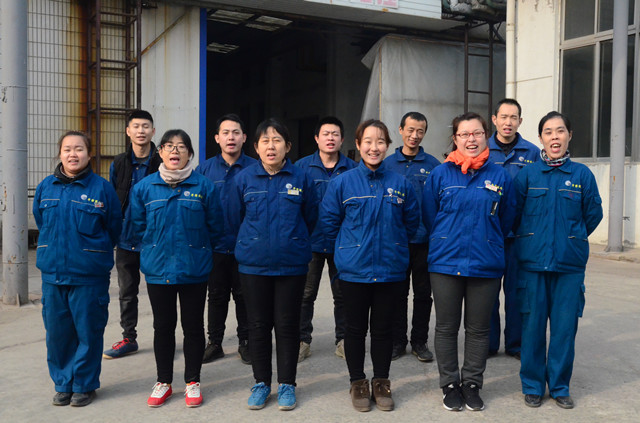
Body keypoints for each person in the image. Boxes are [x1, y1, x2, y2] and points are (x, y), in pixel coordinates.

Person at [320, 119, 419, 412]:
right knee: (354, 330)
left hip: (390, 270)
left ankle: (381, 382)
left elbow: (412, 224)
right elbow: (329, 224)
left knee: (383, 330)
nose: (374, 147)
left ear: (387, 146)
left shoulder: (401, 184)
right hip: (354, 272)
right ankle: (357, 382)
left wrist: (394, 246)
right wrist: (348, 252)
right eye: (368, 141)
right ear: (358, 145)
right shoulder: (342, 183)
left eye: (380, 142)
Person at [422, 112, 516, 412]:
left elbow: (507, 218)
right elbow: (429, 215)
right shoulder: (440, 174)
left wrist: (487, 239)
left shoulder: (500, 176)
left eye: (476, 133)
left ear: (486, 135)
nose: (471, 139)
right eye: (464, 134)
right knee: (446, 327)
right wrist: (447, 238)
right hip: (445, 262)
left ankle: (472, 383)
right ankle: (449, 384)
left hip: (485, 263)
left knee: (478, 329)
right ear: (455, 139)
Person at [227, 118, 317, 411]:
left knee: (288, 325)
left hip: (291, 265)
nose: (271, 146)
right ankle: (261, 383)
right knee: (257, 325)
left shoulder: (302, 178)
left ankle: (287, 384)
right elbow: (233, 219)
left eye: (277, 140)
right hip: (253, 266)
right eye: (265, 141)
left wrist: (293, 241)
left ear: (287, 146)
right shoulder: (243, 179)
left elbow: (311, 216)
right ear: (255, 147)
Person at [514, 111, 602, 410]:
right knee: (532, 329)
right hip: (533, 264)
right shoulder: (528, 175)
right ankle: (533, 386)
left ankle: (560, 386)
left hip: (569, 266)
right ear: (540, 138)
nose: (555, 137)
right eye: (548, 132)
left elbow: (593, 214)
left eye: (560, 131)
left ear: (569, 135)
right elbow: (514, 213)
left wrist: (571, 238)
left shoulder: (582, 175)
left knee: (564, 330)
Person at [130, 129, 223, 408]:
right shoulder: (144, 188)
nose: (175, 151)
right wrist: (154, 248)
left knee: (193, 327)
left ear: (190, 154)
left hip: (194, 268)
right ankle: (164, 382)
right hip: (158, 269)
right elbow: (136, 227)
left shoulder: (204, 187)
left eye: (181, 147)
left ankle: (193, 381)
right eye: (169, 146)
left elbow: (216, 227)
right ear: (160, 152)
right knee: (163, 326)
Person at [34, 131, 122, 407]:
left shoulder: (102, 189)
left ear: (89, 154)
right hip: (53, 274)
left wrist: (91, 254)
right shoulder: (45, 187)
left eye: (79, 149)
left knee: (88, 332)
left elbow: (114, 227)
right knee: (57, 334)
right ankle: (63, 384)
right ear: (60, 154)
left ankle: (84, 385)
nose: (73, 154)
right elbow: (41, 221)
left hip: (89, 276)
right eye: (68, 149)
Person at [196, 114, 255, 365]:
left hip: (246, 246)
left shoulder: (255, 168)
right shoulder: (205, 170)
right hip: (215, 247)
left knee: (244, 296)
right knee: (216, 296)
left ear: (244, 138)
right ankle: (215, 343)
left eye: (236, 132)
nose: (231, 137)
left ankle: (246, 342)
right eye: (226, 133)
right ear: (217, 138)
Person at [296, 116, 357, 362]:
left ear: (342, 140)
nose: (330, 138)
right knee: (305, 293)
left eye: (335, 134)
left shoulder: (353, 169)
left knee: (342, 294)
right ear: (316, 138)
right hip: (310, 241)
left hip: (342, 243)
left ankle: (343, 340)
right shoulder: (301, 168)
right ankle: (302, 340)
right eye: (325, 134)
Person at [104, 110, 161, 359]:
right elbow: (113, 199)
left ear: (153, 131)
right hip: (126, 239)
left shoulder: (162, 162)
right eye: (136, 126)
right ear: (128, 131)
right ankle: (129, 338)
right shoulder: (119, 163)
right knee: (127, 293)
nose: (141, 131)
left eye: (145, 126)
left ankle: (163, 338)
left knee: (161, 292)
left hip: (155, 240)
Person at [384, 111, 440, 362]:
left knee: (423, 294)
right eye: (410, 130)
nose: (414, 135)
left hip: (425, 241)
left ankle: (419, 341)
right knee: (397, 293)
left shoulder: (433, 166)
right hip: (396, 241)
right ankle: (397, 341)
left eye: (420, 131)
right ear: (400, 130)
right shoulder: (388, 165)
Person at [487, 98, 540, 359]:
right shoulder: (482, 150)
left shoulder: (532, 153)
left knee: (517, 292)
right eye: (503, 116)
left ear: (520, 121)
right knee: (487, 292)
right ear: (494, 119)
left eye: (514, 117)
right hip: (489, 235)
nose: (508, 122)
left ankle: (516, 344)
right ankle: (488, 344)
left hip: (520, 236)